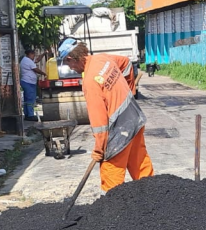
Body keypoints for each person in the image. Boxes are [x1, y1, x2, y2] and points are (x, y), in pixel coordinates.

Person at [63, 42, 154, 192]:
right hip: (134, 116)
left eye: (68, 63)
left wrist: (99, 149)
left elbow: (100, 124)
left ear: (72, 58)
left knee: (111, 172)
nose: (70, 67)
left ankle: (114, 211)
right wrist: (129, 90)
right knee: (140, 164)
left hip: (120, 130)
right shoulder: (103, 59)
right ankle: (153, 197)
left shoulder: (90, 81)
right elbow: (126, 63)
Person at [19, 48, 45, 122]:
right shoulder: (28, 61)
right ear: (30, 54)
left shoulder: (26, 60)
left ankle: (27, 114)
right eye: (33, 54)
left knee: (27, 99)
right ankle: (30, 115)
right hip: (28, 82)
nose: (34, 56)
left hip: (26, 82)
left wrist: (44, 53)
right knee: (30, 99)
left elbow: (37, 60)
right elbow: (35, 69)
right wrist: (43, 73)